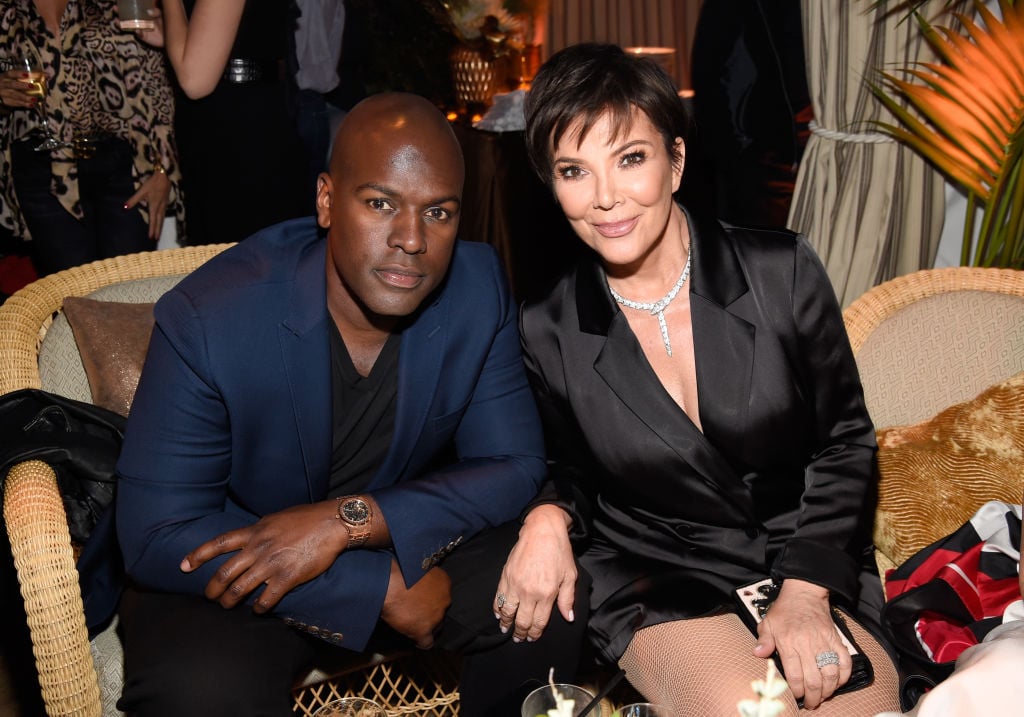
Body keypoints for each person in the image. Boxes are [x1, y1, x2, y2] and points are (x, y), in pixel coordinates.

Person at [113, 92, 587, 717]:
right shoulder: (212, 316)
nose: (411, 239)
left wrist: (350, 521)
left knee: (549, 598)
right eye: (380, 203)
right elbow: (156, 531)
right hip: (247, 562)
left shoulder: (476, 288)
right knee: (200, 692)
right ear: (327, 200)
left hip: (399, 532)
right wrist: (373, 587)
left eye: (438, 213)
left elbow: (513, 463)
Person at [493, 43, 901, 715]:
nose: (605, 198)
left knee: (855, 707)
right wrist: (546, 518)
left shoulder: (780, 271)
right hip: (660, 573)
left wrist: (805, 589)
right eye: (574, 171)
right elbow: (567, 467)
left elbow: (845, 442)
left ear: (676, 161)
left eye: (631, 158)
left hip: (807, 554)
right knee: (749, 709)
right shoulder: (548, 326)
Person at [0, 0, 183, 276]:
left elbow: (158, 82)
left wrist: (163, 168)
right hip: (43, 171)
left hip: (124, 167)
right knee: (73, 291)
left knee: (125, 289)